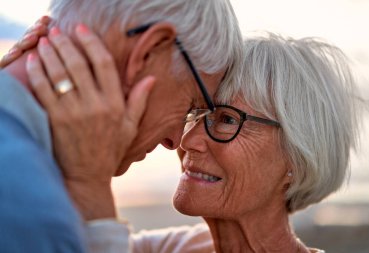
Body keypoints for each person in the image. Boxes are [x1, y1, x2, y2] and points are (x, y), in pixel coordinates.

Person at [4, 26, 361, 251]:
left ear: (298, 161)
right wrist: (15, 90)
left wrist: (90, 179)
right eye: (194, 111)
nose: (187, 140)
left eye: (225, 120)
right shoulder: (173, 247)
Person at [0, 0, 242, 252]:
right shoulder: (33, 211)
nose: (175, 141)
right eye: (192, 106)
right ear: (148, 52)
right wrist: (91, 197)